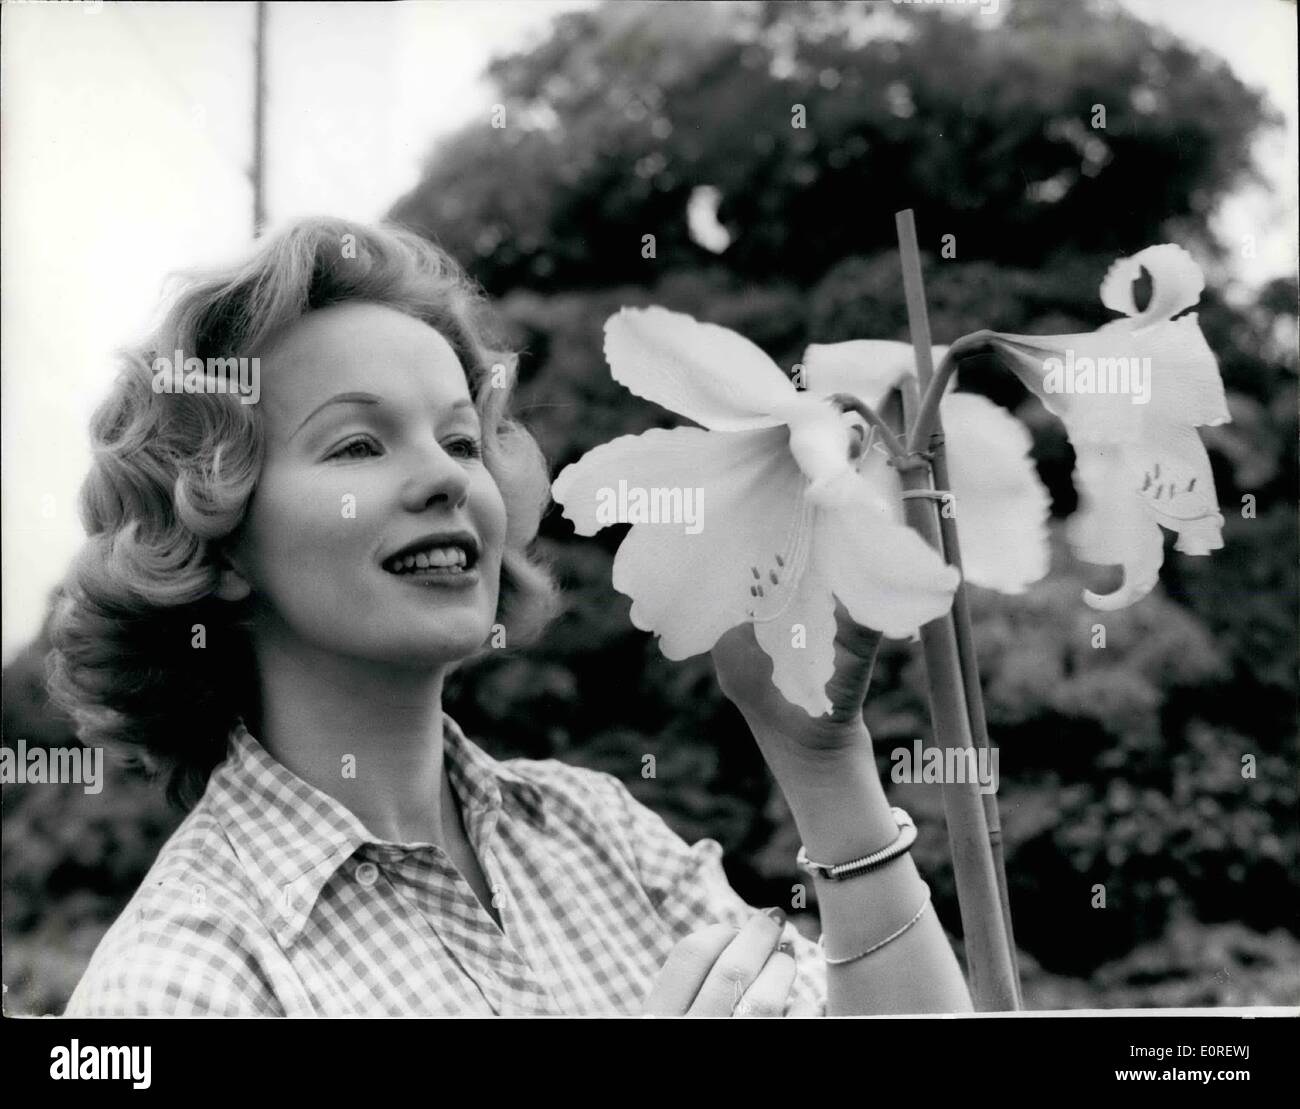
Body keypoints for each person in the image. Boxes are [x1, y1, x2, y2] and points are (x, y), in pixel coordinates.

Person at [51, 218, 972, 1017]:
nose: (453, 476)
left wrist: (825, 771)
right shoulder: (177, 984)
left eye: (462, 438)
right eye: (358, 443)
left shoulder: (596, 830)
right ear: (215, 533)